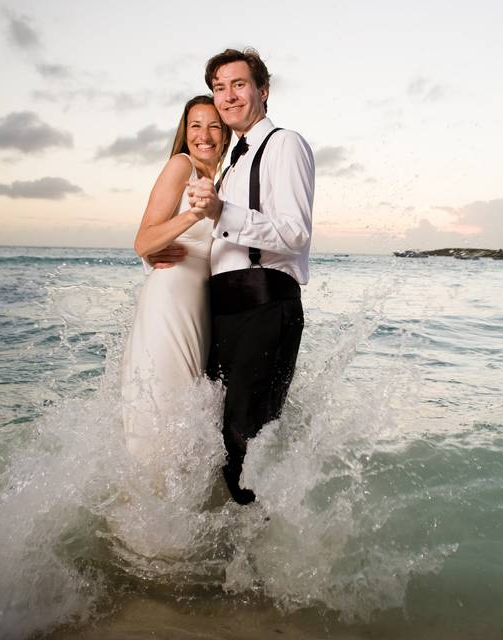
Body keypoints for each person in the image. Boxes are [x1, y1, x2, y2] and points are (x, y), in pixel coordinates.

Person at [153, 48, 314, 504]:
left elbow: (295, 234)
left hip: (265, 305)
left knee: (247, 442)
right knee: (216, 441)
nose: (228, 96)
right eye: (219, 87)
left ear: (263, 90)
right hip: (223, 314)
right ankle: (224, 555)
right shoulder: (231, 166)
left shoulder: (285, 144)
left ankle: (258, 561)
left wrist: (223, 212)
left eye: (239, 84)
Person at [120, 95, 230, 468]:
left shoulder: (225, 178)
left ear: (225, 131)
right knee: (160, 416)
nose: (204, 135)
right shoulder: (181, 166)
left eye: (213, 125)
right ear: (185, 133)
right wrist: (191, 216)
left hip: (200, 308)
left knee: (188, 418)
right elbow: (143, 242)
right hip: (168, 304)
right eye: (195, 125)